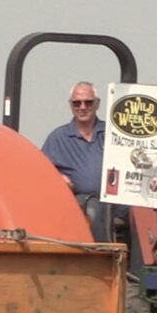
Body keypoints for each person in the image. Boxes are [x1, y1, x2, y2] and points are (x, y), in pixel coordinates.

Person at [41, 82, 114, 241]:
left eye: (88, 102)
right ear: (70, 105)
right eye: (77, 103)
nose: (82, 107)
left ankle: (142, 264)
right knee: (93, 210)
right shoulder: (58, 137)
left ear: (97, 104)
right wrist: (58, 177)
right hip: (82, 199)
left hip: (115, 200)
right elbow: (41, 171)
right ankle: (102, 260)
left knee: (145, 213)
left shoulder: (112, 133)